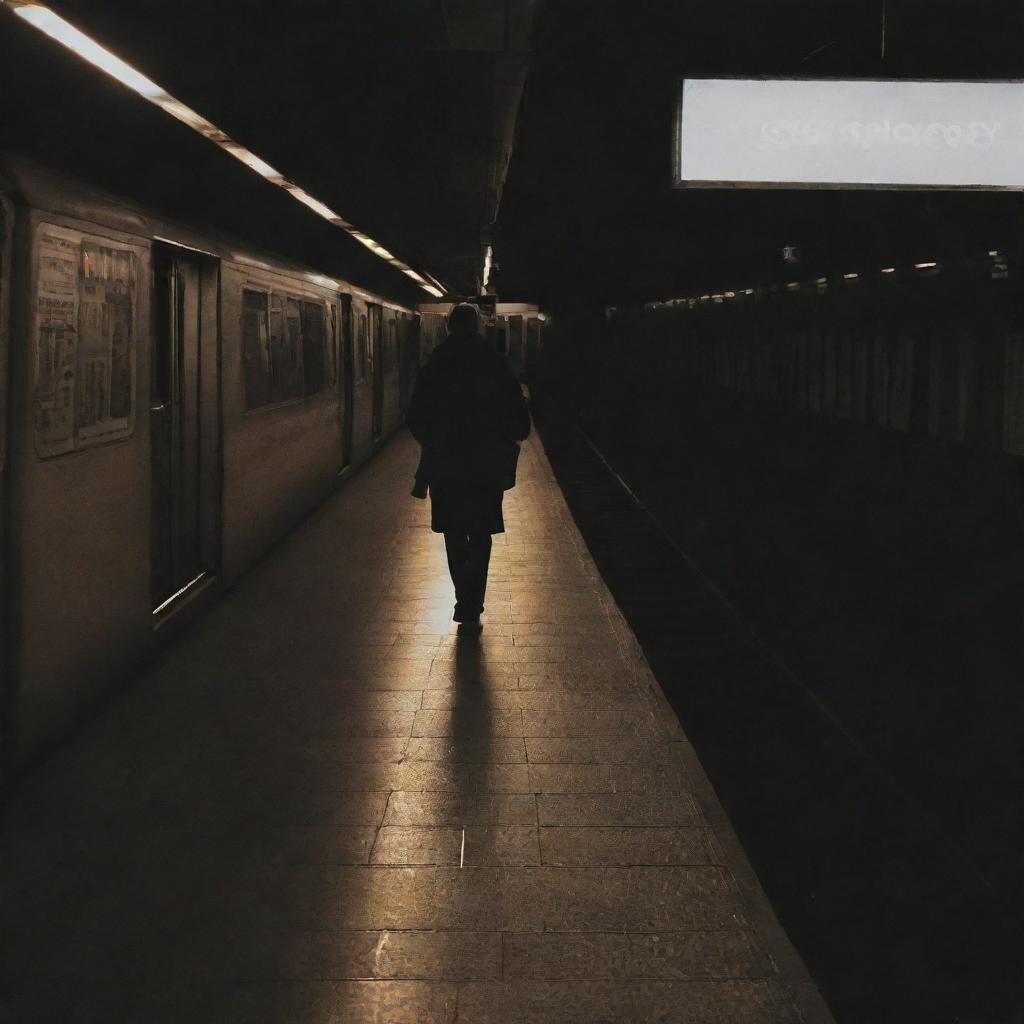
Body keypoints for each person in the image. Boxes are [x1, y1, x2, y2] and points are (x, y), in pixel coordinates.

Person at [407, 303, 531, 628]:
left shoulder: (436, 364)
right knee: (480, 535)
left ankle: (465, 599)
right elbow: (521, 423)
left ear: (448, 327)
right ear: (477, 327)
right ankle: (473, 603)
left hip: (446, 468)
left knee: (453, 533)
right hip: (485, 468)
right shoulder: (495, 364)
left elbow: (416, 417)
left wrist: (436, 440)